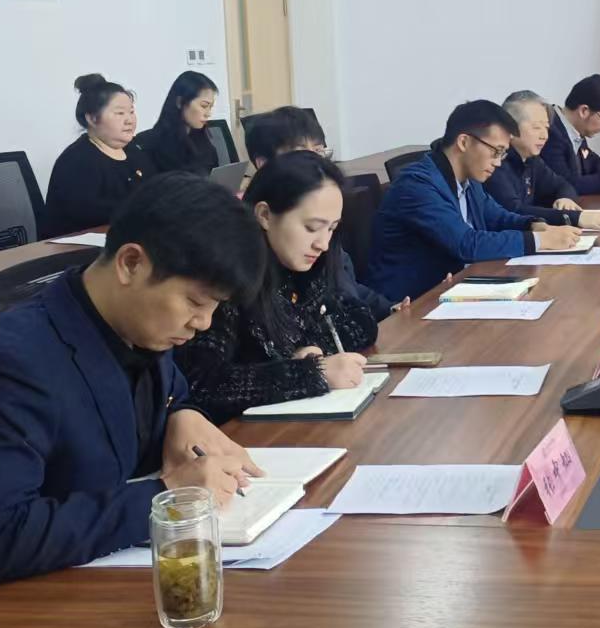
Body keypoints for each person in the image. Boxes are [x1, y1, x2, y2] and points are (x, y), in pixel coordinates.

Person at [0, 175, 265, 628]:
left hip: (84, 591)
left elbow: (167, 394)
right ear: (131, 263)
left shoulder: (137, 323)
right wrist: (165, 496)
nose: (203, 323)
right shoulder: (14, 363)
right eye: (196, 302)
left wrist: (184, 413)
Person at [176, 152, 377, 423]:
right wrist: (309, 372)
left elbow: (361, 319)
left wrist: (312, 348)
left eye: (331, 229)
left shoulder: (306, 264)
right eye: (312, 227)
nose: (323, 243)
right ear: (265, 215)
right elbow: (203, 385)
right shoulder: (229, 276)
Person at [368, 100, 579, 301]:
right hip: (410, 304)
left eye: (503, 154)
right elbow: (466, 243)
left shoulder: (468, 178)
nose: (498, 163)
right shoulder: (418, 184)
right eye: (496, 151)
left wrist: (533, 224)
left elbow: (497, 217)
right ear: (464, 142)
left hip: (454, 288)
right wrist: (539, 240)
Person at [244, 105, 406, 320]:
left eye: (319, 151)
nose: (323, 244)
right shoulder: (240, 271)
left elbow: (347, 289)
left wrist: (389, 309)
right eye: (301, 153)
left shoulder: (318, 235)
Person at [43, 74, 150, 237]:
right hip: (79, 248)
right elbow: (89, 215)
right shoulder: (77, 160)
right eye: (120, 113)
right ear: (92, 118)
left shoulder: (135, 151)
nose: (129, 120)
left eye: (131, 112)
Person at [491, 92, 600, 229]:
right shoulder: (496, 163)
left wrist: (564, 198)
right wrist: (572, 217)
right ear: (510, 127)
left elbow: (563, 185)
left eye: (546, 127)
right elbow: (514, 210)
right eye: (536, 127)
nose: (544, 136)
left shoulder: (532, 160)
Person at [134, 71, 220, 177]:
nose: (208, 113)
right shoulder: (150, 144)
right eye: (204, 106)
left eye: (210, 107)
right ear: (180, 102)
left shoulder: (205, 143)